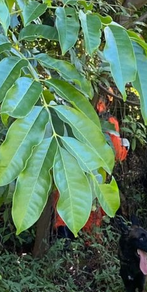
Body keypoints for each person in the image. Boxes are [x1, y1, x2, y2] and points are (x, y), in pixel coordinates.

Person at [53, 89, 129, 239]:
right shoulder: (109, 122)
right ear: (108, 100)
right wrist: (125, 147)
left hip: (66, 168)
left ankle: (64, 249)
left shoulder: (69, 112)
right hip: (94, 174)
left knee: (64, 209)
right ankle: (86, 251)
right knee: (90, 215)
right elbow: (116, 154)